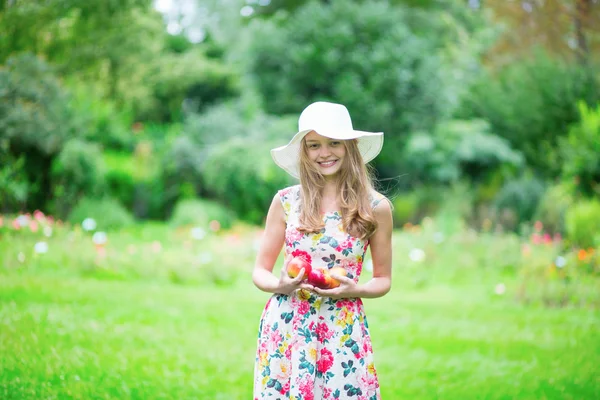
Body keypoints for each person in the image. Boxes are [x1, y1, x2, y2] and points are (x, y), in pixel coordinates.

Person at [252, 101, 393, 400]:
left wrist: (354, 290)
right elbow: (259, 271)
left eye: (334, 143)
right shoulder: (286, 201)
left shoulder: (375, 207)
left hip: (341, 325)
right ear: (304, 151)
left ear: (350, 147)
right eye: (314, 145)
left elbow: (383, 279)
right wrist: (280, 285)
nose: (324, 153)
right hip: (288, 324)